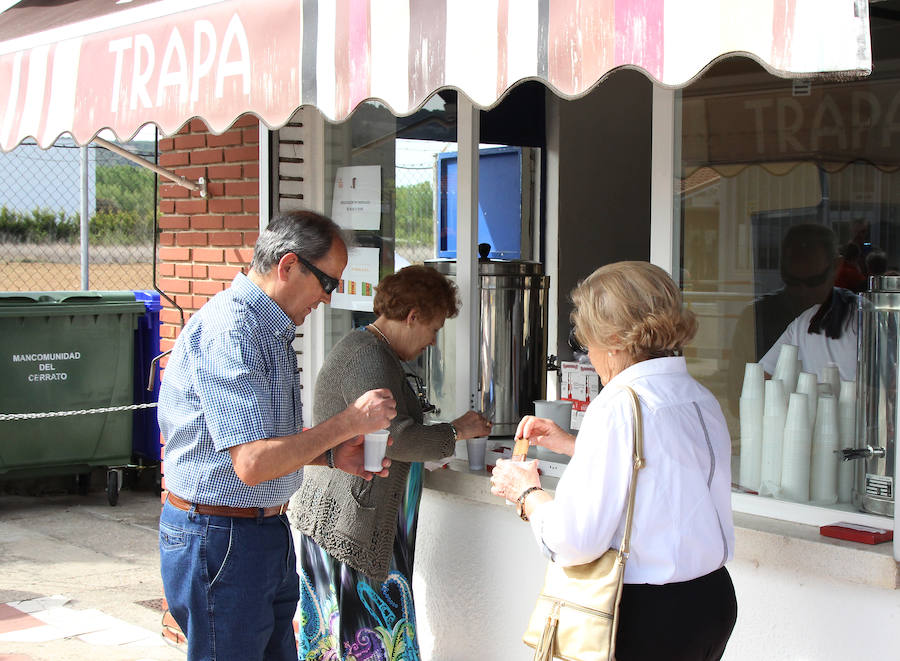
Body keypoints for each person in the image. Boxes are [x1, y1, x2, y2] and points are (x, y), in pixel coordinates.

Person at [157, 210, 398, 661]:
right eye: (327, 283)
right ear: (288, 266)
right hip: (221, 533)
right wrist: (348, 422)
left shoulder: (269, 327)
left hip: (256, 530)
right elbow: (252, 463)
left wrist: (330, 457)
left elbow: (263, 448)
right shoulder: (234, 329)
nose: (327, 299)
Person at [490, 261, 737, 661]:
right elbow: (662, 470)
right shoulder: (697, 397)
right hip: (710, 601)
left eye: (587, 342)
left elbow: (575, 541)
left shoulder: (619, 404)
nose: (587, 354)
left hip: (644, 614)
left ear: (616, 340)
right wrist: (574, 445)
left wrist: (526, 493)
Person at [288, 264, 492, 660]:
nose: (432, 342)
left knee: (343, 645)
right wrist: (456, 432)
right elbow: (396, 436)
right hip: (352, 530)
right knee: (373, 643)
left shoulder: (373, 351)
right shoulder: (368, 356)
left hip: (352, 527)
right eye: (433, 329)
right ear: (412, 316)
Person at [726, 223, 842, 414]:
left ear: (836, 267)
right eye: (792, 281)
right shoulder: (756, 319)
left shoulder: (857, 319)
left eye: (814, 281)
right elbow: (738, 400)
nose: (802, 291)